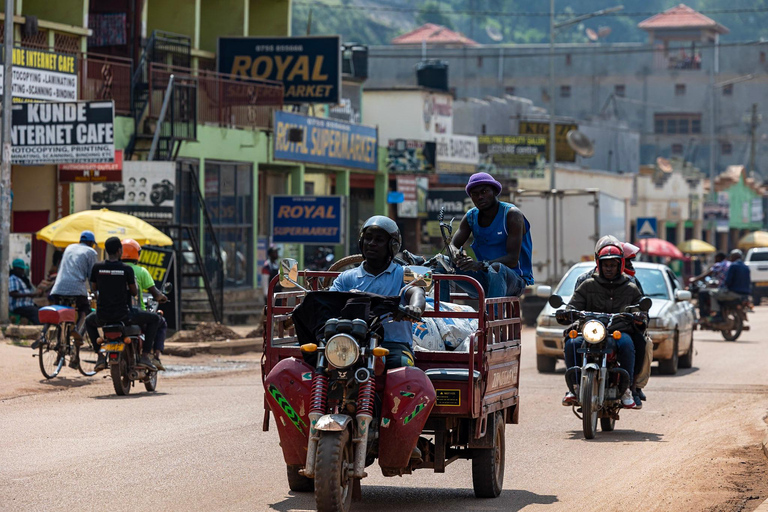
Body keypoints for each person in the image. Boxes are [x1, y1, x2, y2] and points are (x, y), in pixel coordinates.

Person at [329, 216, 425, 369]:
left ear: (392, 246)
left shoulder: (407, 273)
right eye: (368, 238)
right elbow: (329, 300)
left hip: (394, 346)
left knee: (403, 370)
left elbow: (417, 292)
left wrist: (415, 307)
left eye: (379, 240)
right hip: (352, 343)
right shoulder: (346, 277)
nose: (371, 243)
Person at [562, 243, 645, 409]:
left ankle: (626, 388)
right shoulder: (587, 285)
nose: (609, 268)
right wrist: (567, 312)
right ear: (599, 265)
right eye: (606, 265)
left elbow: (640, 308)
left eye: (613, 265)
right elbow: (573, 305)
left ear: (619, 265)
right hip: (591, 330)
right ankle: (574, 387)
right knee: (572, 343)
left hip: (619, 331)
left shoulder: (631, 287)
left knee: (628, 345)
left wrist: (639, 316)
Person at [442, 172, 533, 302]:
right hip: (485, 277)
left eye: (484, 192)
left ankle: (491, 318)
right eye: (475, 194)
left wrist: (479, 265)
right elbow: (452, 245)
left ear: (495, 192)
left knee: (496, 268)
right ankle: (441, 312)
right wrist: (456, 254)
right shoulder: (471, 217)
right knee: (443, 262)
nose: (480, 197)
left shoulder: (512, 215)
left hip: (514, 280)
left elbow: (513, 259)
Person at [85, 237, 159, 372]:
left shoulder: (97, 267)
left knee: (88, 321)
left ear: (106, 251)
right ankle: (145, 356)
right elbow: (134, 291)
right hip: (125, 315)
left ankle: (100, 356)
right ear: (119, 250)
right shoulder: (126, 269)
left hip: (103, 316)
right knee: (155, 319)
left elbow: (94, 288)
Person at [120, 239, 169, 370]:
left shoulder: (115, 269)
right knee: (160, 321)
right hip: (135, 313)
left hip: (114, 314)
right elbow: (156, 294)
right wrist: (162, 297)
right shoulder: (141, 271)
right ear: (137, 254)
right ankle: (149, 356)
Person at [48, 230, 98, 337]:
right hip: (76, 290)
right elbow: (92, 276)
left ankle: (58, 338)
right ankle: (77, 330)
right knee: (84, 309)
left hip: (58, 288)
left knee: (60, 310)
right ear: (91, 243)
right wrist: (95, 291)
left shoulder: (69, 248)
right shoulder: (91, 252)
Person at [708, 249, 751, 323]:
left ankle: (717, 313)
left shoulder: (733, 266)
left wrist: (723, 286)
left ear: (734, 257)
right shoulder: (746, 267)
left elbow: (727, 281)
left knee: (712, 293)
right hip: (745, 294)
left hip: (733, 293)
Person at [689, 252, 729, 318]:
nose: (715, 260)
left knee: (702, 293)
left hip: (724, 289)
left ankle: (705, 315)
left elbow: (708, 274)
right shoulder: (730, 264)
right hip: (729, 288)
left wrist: (695, 279)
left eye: (715, 258)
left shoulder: (719, 265)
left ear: (718, 258)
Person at [9, 258, 41, 324]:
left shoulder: (22, 279)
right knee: (35, 312)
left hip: (28, 304)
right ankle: (41, 330)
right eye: (21, 269)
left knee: (42, 310)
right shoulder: (13, 278)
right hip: (18, 306)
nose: (23, 271)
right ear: (16, 269)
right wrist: (29, 295)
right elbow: (13, 293)